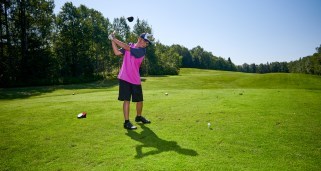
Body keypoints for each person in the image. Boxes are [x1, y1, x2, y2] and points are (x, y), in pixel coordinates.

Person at [108, 32, 153, 130]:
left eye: (147, 43)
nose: (146, 44)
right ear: (139, 39)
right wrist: (112, 40)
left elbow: (127, 48)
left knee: (139, 100)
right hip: (124, 77)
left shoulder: (142, 51)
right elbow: (117, 52)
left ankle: (139, 116)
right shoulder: (129, 45)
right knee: (126, 100)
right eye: (145, 41)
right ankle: (127, 122)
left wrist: (114, 38)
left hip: (135, 79)